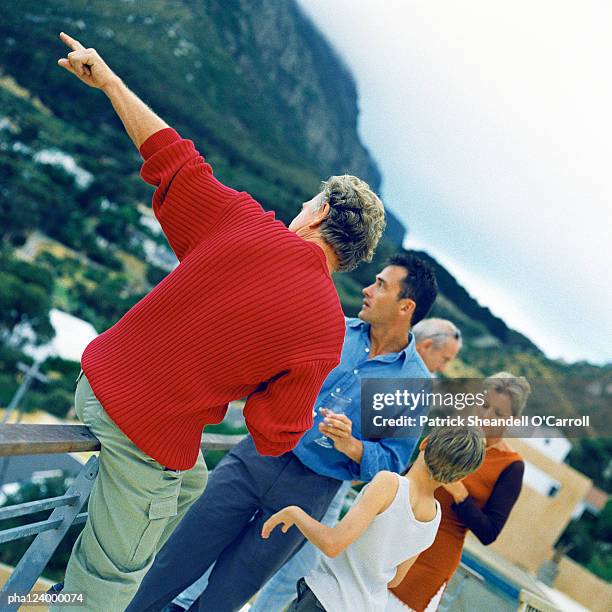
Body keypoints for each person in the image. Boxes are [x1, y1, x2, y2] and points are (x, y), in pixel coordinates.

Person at [54, 32, 386, 611]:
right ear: (351, 256)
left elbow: (170, 155)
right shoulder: (325, 331)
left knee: (193, 486)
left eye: (308, 202)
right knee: (104, 589)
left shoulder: (240, 220)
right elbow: (274, 431)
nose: (299, 208)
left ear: (321, 212)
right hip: (142, 432)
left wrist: (109, 81)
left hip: (97, 381)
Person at [127, 253, 438, 612]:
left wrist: (352, 445)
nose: (367, 290)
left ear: (406, 307)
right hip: (255, 458)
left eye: (381, 285)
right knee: (173, 562)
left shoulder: (413, 384)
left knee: (225, 596)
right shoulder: (332, 329)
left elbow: (393, 463)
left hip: (310, 492)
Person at [249, 317, 463, 612]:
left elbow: (391, 459)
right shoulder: (431, 514)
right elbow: (394, 579)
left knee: (297, 567)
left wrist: (353, 448)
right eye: (445, 358)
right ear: (427, 345)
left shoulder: (415, 393)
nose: (443, 367)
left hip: (335, 487)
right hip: (296, 467)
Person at [266, 426, 486, 612]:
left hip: (326, 600)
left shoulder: (389, 484)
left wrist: (295, 513)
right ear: (461, 477)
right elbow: (395, 579)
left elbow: (332, 544)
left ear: (424, 443)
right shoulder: (434, 517)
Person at [387, 372, 531, 612]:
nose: (486, 416)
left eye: (498, 413)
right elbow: (406, 477)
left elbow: (489, 532)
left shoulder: (511, 466)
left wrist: (460, 493)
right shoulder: (452, 432)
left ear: (513, 420)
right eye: (484, 406)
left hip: (431, 562)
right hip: (395, 536)